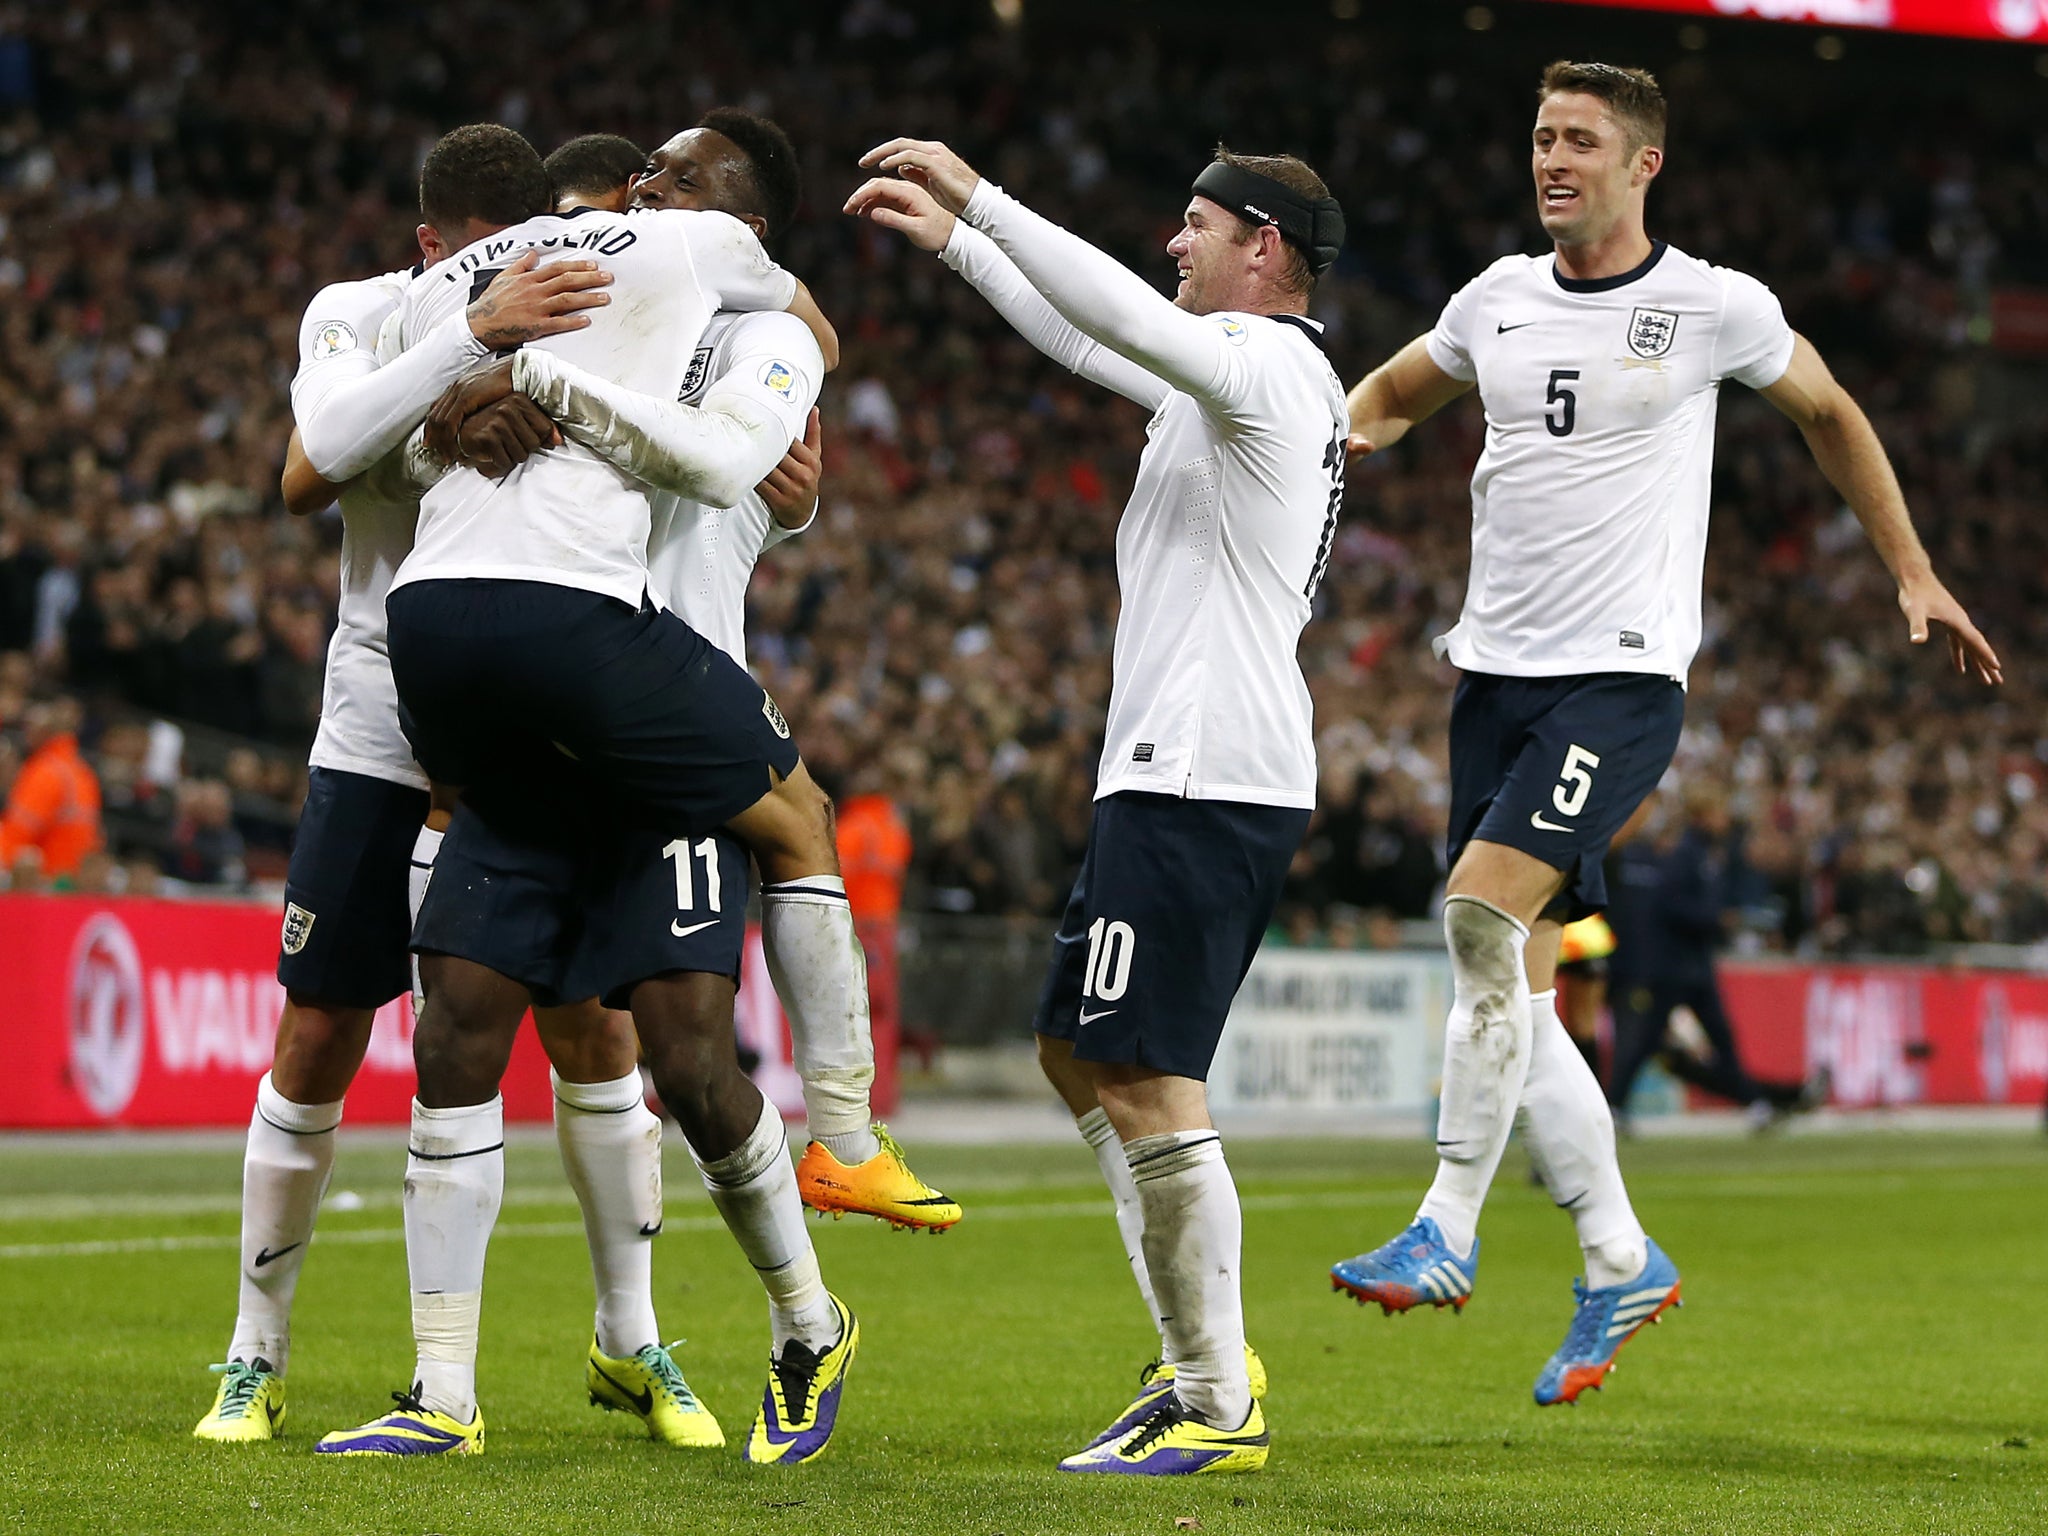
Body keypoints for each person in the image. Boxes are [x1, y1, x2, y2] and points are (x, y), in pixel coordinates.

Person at [1327, 60, 1999, 1407]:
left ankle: (1447, 1228)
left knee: (1474, 915)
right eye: (1540, 137)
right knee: (1507, 984)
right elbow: (1392, 398)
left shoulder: (1709, 305)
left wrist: (1912, 570)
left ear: (1644, 165)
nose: (1552, 159)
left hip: (1620, 679)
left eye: (1580, 140)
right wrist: (1320, 441)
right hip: (1492, 678)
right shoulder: (1495, 302)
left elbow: (1830, 413)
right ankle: (1618, 1255)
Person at [318, 121, 857, 1463]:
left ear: (724, 217)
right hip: (536, 709)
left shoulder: (733, 310)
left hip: (655, 712)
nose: (651, 197)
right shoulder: (550, 294)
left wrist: (764, 468)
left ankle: (810, 1307)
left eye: (678, 181)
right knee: (458, 1028)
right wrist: (457, 392)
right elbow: (332, 449)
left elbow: (782, 403)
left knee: (685, 1056)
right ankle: (442, 1393)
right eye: (645, 181)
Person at [849, 133, 1348, 1474]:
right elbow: (1087, 344)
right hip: (1167, 772)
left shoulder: (1269, 366)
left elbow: (1116, 311)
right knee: (1079, 1049)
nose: (1170, 244)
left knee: (1143, 1075)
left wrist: (982, 192)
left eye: (1194, 224)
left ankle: (1213, 1395)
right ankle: (1203, 1357)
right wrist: (960, 248)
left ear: (1264, 248)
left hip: (1207, 773)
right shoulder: (1221, 384)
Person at [192, 152, 628, 1444]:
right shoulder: (359, 309)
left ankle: (633, 1339)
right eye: (473, 257)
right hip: (379, 713)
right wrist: (452, 384)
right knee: (320, 1030)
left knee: (588, 1027)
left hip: (526, 721)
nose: (499, 276)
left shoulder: (584, 298)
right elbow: (304, 470)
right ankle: (254, 1355)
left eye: (518, 251)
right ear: (433, 241)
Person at [1604, 785, 1819, 1125]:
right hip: (1674, 966)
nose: (1724, 821)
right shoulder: (1684, 855)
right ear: (1703, 816)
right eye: (1718, 814)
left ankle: (1754, 1104)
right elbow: (1670, 907)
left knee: (1718, 1038)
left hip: (1695, 965)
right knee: (1648, 1041)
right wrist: (1716, 919)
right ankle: (1614, 1103)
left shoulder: (1707, 855)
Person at [0, 696, 101, 881]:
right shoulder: (84, 772)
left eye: (30, 728)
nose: (26, 734)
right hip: (72, 881)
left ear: (45, 732)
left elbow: (18, 831)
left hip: (44, 880)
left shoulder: (45, 771)